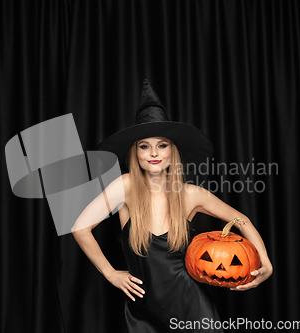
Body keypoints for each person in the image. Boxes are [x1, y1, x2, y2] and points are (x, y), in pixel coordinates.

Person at [72, 80, 273, 332]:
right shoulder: (124, 187)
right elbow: (80, 228)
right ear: (135, 153)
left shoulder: (191, 194)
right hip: (142, 314)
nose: (153, 153)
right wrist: (110, 273)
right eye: (144, 146)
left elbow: (241, 220)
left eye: (162, 145)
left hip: (193, 310)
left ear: (172, 151)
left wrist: (265, 263)